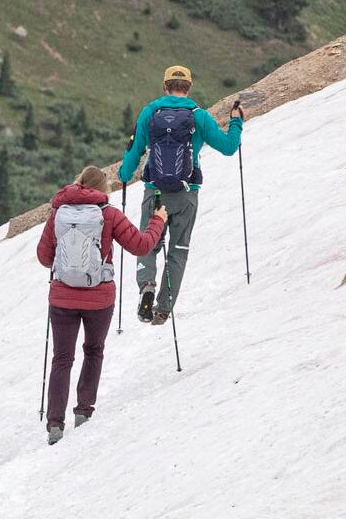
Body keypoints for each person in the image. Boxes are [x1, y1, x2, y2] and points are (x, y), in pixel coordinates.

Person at [35, 164, 165, 444]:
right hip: (99, 298)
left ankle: (55, 424)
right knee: (93, 351)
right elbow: (142, 246)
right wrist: (158, 220)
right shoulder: (109, 214)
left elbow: (44, 258)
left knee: (62, 358)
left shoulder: (58, 213)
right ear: (102, 189)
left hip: (62, 297)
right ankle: (83, 412)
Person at [117, 65, 243, 326]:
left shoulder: (150, 113)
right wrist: (236, 121)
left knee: (147, 243)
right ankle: (163, 308)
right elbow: (230, 147)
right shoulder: (199, 116)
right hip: (186, 195)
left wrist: (124, 173)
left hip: (155, 191)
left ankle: (146, 286)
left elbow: (134, 153)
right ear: (189, 87)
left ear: (165, 86)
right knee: (178, 250)